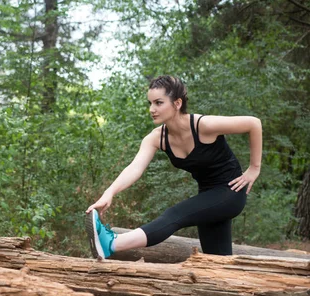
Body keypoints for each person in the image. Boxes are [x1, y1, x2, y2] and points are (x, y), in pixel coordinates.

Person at [85, 75, 262, 259]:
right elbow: (135, 168)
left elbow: (253, 123)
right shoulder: (156, 138)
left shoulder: (203, 126)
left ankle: (111, 243)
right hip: (208, 196)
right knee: (217, 260)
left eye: (159, 103)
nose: (152, 109)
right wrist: (110, 192)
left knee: (175, 214)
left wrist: (254, 168)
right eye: (150, 103)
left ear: (177, 103)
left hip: (231, 192)